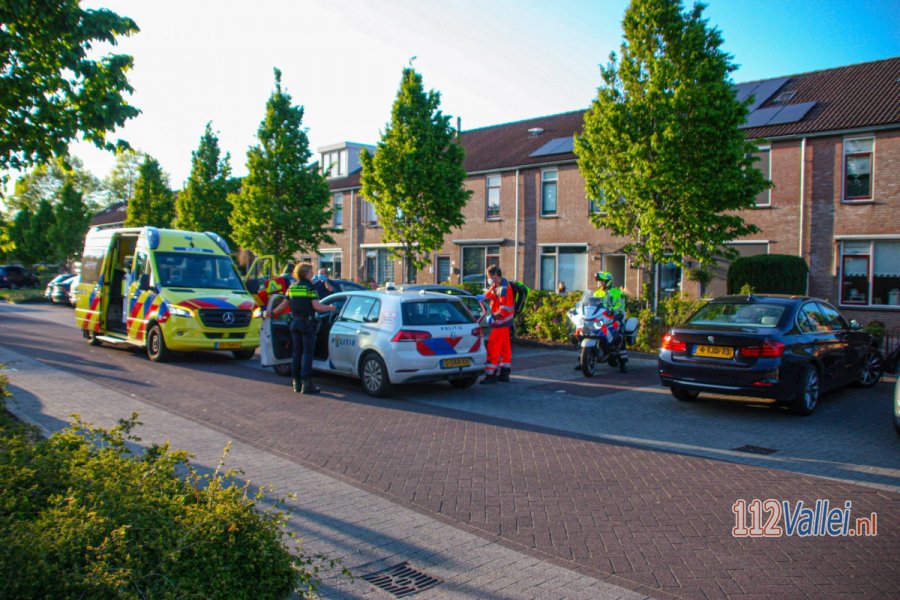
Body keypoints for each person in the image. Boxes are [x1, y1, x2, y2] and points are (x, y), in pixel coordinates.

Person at [272, 263, 337, 394]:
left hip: (294, 323)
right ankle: (307, 384)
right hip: (307, 324)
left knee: (296, 353)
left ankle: (296, 383)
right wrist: (330, 308)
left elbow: (283, 305)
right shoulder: (310, 288)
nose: (313, 274)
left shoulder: (291, 287)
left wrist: (271, 313)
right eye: (311, 272)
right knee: (307, 353)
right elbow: (317, 306)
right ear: (306, 273)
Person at [480, 264, 515, 384]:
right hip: (505, 323)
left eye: (489, 277)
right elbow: (492, 292)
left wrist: (493, 317)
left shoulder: (503, 289)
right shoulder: (498, 285)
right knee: (505, 349)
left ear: (495, 275)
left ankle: (490, 375)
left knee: (493, 347)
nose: (488, 279)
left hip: (500, 323)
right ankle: (504, 374)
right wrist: (483, 296)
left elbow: (504, 309)